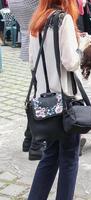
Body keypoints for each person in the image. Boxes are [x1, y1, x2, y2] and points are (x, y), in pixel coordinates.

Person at [27, 0, 85, 199]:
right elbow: (70, 62)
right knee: (69, 158)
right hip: (65, 102)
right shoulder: (63, 19)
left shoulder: (37, 21)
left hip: (45, 104)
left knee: (50, 157)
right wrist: (82, 46)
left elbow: (32, 63)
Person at [8, 0, 44, 161]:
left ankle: (29, 137)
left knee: (39, 90)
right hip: (41, 44)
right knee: (44, 94)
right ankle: (37, 142)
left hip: (30, 42)